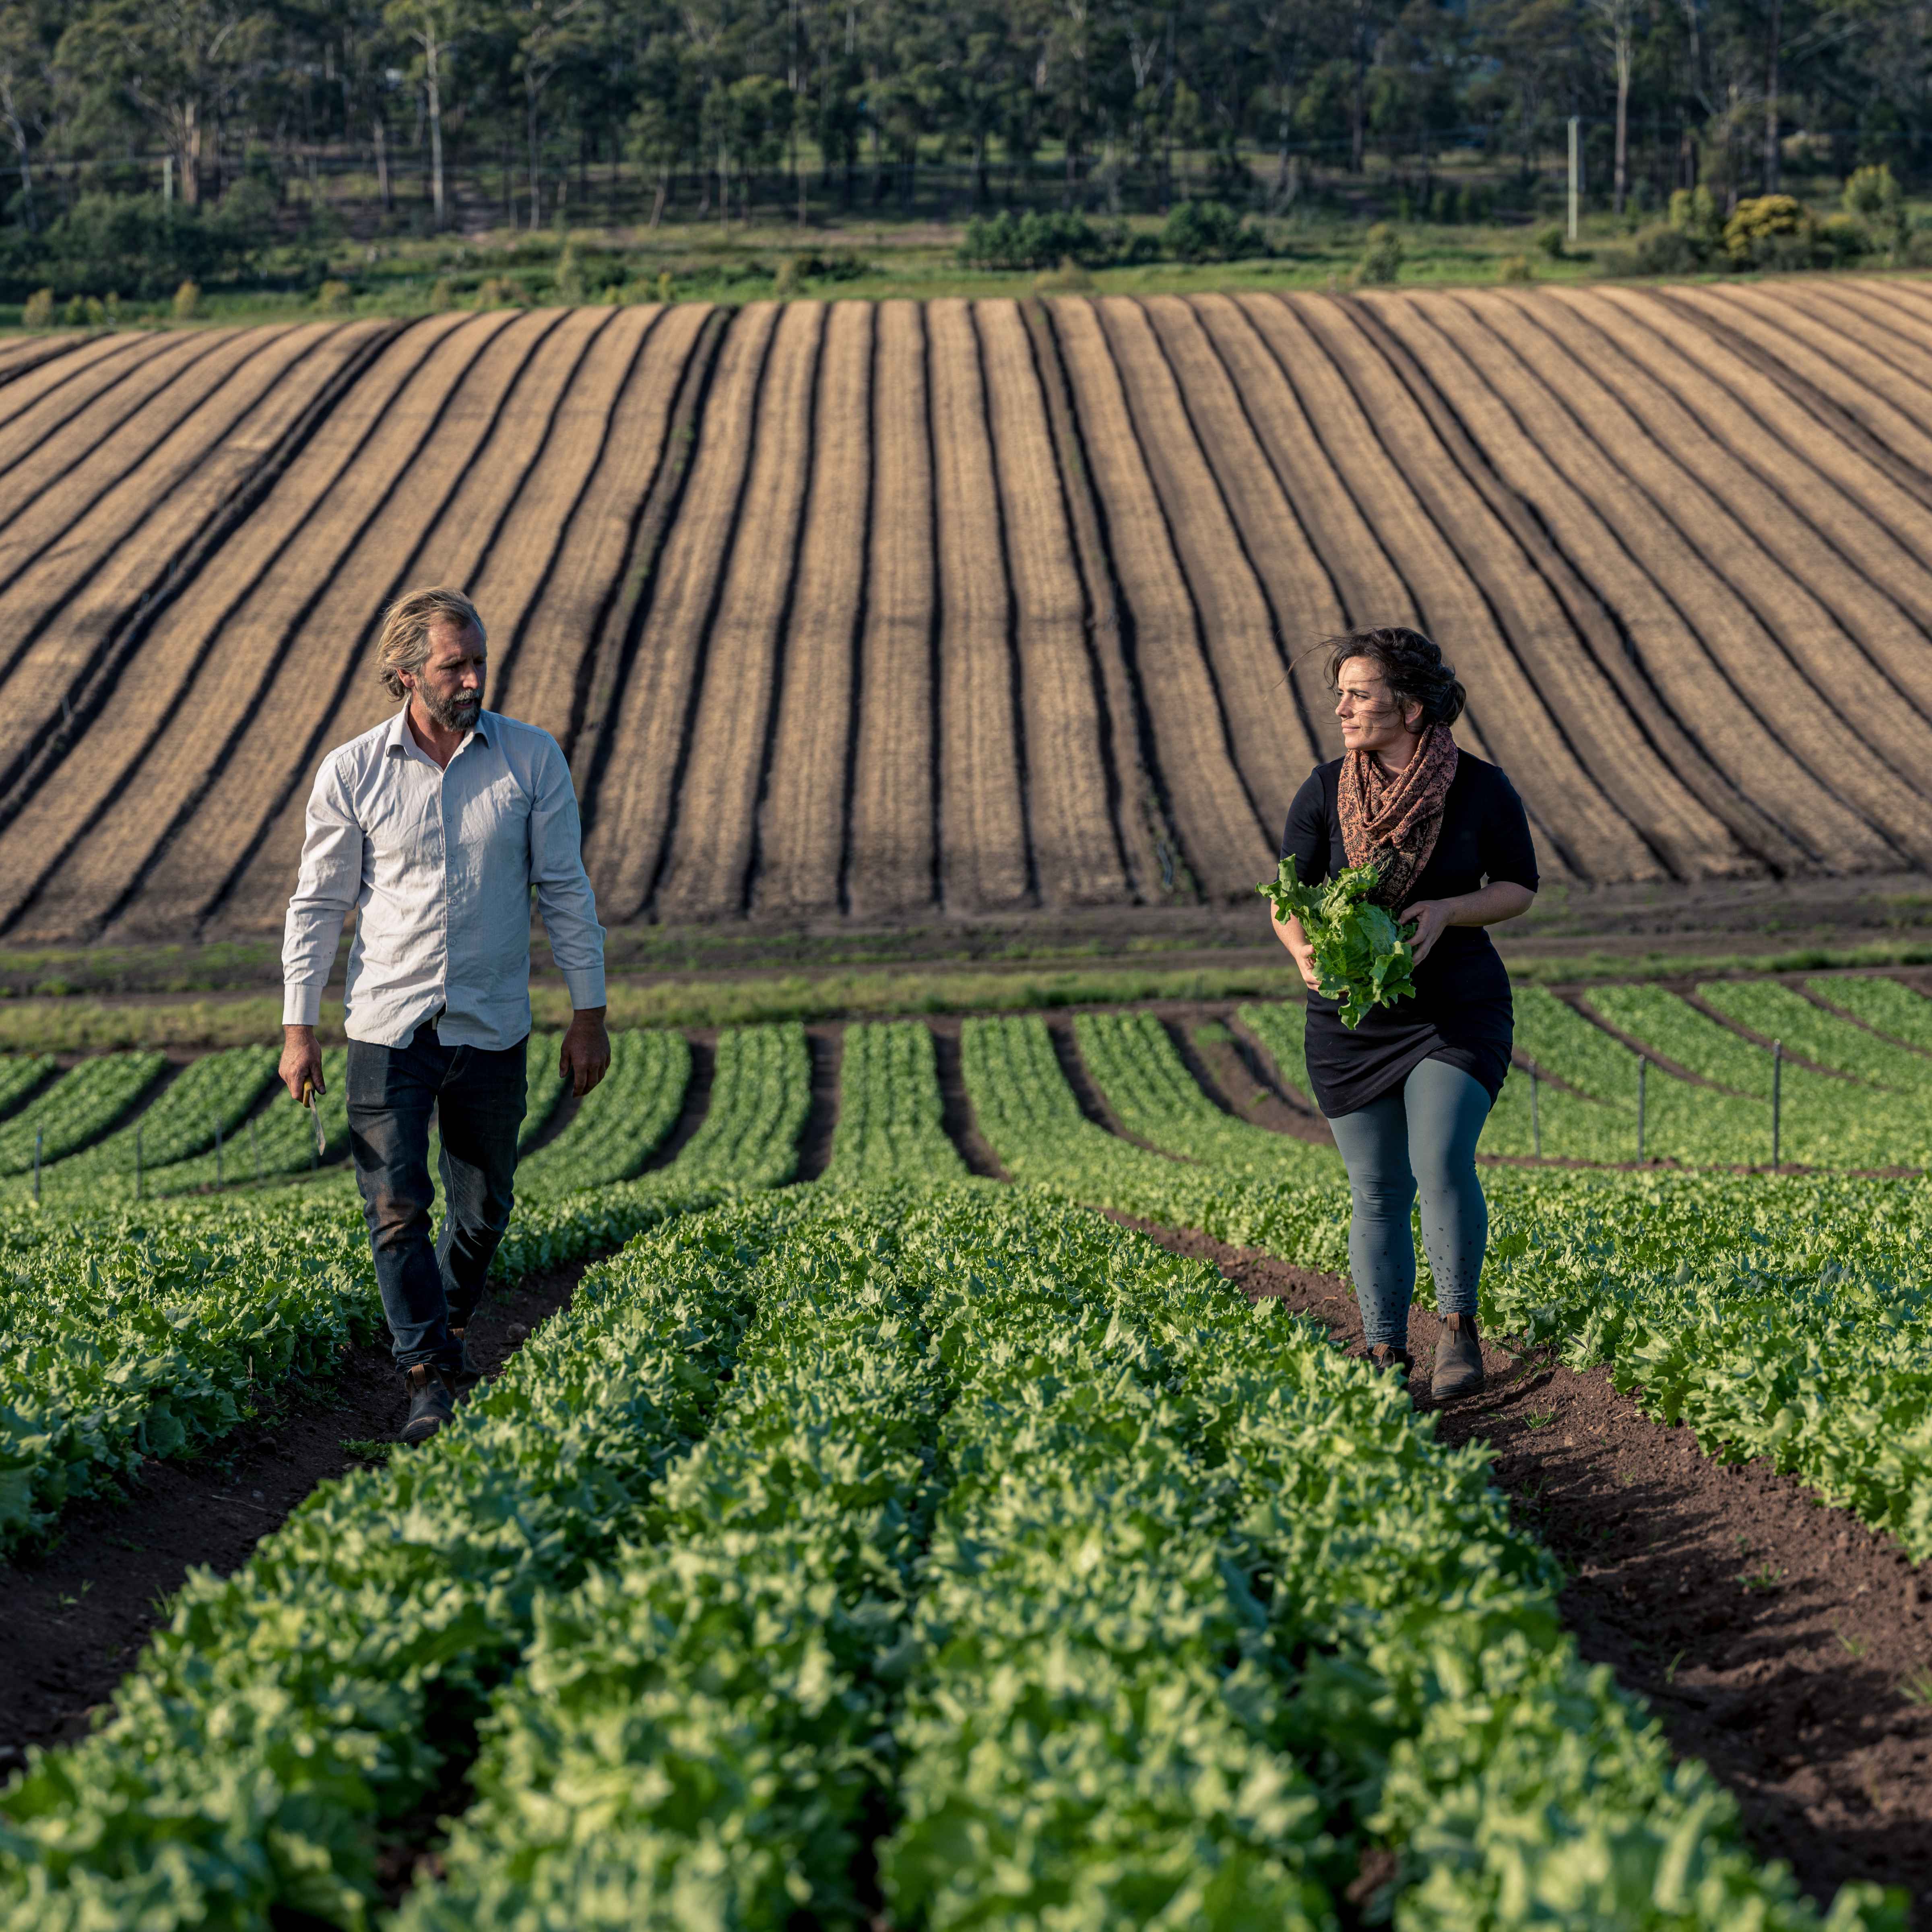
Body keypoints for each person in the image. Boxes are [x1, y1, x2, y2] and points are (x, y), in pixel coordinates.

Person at [279, 586, 612, 1444]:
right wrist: (298, 1028)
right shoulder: (353, 772)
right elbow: (318, 906)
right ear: (406, 675)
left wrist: (589, 1014)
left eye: (478, 663)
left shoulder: (530, 759)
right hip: (387, 1025)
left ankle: (452, 1329)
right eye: (453, 666)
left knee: (485, 1208)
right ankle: (426, 1374)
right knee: (395, 1207)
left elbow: (565, 890)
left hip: (492, 1024)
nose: (472, 679)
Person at [1270, 627, 1537, 1401]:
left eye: (1358, 695)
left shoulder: (1480, 787)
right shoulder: (1324, 789)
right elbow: (1287, 897)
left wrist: (1449, 910)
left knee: (1442, 1159)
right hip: (1351, 1020)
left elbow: (1518, 886)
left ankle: (1458, 1330)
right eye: (1341, 695)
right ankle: (1385, 1352)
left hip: (1455, 1009)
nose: (1342, 709)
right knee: (1379, 1189)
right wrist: (1303, 953)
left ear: (1412, 707)